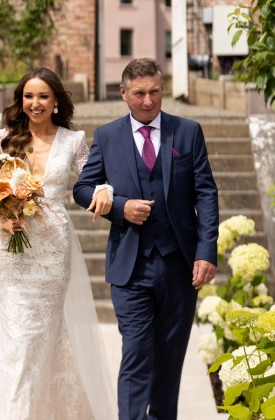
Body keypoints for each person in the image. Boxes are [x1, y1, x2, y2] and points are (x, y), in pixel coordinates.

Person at [73, 58, 219, 420]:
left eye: (154, 92)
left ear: (162, 90)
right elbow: (82, 189)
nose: (148, 101)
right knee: (137, 353)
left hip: (179, 265)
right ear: (123, 93)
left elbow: (206, 194)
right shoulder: (107, 137)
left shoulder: (187, 132)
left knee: (170, 360)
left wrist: (207, 251)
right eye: (139, 93)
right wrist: (119, 207)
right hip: (131, 267)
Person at [0, 67, 117, 420]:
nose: (35, 103)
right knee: (18, 341)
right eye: (28, 96)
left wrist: (105, 191)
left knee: (44, 336)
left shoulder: (73, 140)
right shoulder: (1, 139)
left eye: (43, 96)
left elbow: (95, 179)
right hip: (10, 252)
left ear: (56, 101)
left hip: (53, 253)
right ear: (20, 100)